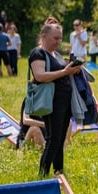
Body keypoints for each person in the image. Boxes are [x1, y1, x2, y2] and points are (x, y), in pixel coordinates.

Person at [29, 20, 82, 176]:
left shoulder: (56, 54)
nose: (58, 42)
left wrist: (74, 70)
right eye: (55, 38)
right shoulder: (37, 53)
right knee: (53, 139)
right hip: (51, 102)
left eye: (60, 38)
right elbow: (39, 76)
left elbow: (63, 72)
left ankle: (59, 172)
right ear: (44, 36)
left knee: (60, 140)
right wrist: (65, 72)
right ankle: (43, 175)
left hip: (64, 101)